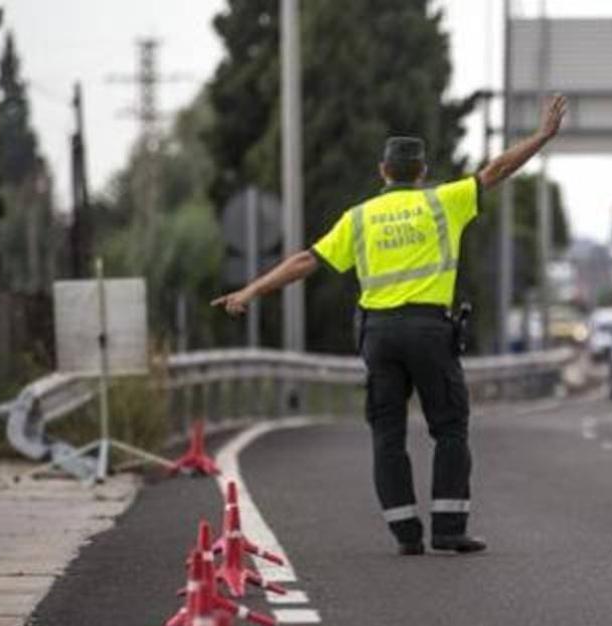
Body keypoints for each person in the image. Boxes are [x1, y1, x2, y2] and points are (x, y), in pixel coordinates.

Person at [212, 93, 568, 556]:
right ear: (422, 172)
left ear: (383, 171)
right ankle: (448, 528)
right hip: (429, 331)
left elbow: (306, 260)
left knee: (387, 433)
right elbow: (496, 170)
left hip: (378, 335)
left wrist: (251, 291)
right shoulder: (444, 202)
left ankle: (405, 534)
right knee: (450, 427)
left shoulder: (358, 218)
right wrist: (541, 136)